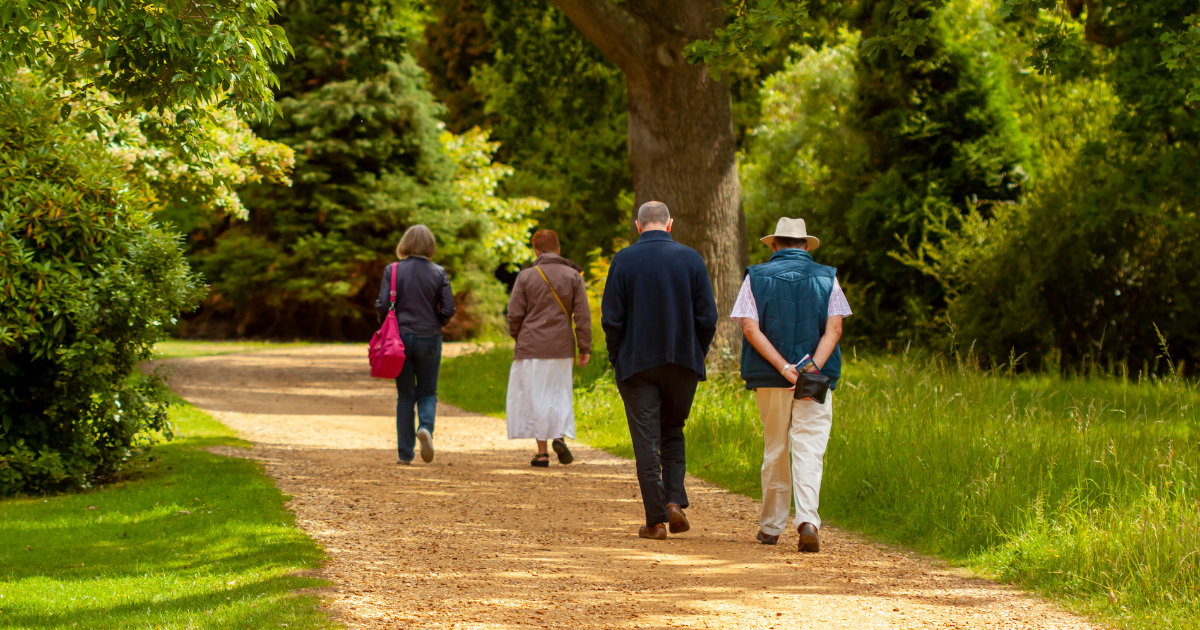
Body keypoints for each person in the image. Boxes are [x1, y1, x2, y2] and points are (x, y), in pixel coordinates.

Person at [601, 201, 719, 540]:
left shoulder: (623, 260)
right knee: (672, 430)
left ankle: (655, 520)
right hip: (683, 361)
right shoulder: (691, 259)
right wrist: (696, 352)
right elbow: (707, 318)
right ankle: (673, 500)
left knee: (646, 440)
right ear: (670, 225)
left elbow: (612, 319)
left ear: (638, 226)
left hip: (637, 364)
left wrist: (616, 359)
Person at [732, 217, 850, 552]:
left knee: (776, 448)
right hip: (816, 378)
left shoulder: (755, 276)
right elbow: (835, 330)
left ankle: (770, 527)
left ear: (773, 244)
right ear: (806, 246)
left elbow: (750, 329)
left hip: (771, 377)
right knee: (810, 448)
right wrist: (811, 368)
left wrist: (785, 368)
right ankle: (808, 521)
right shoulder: (828, 277)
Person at [505, 229, 593, 467]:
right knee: (558, 392)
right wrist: (584, 346)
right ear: (558, 249)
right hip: (562, 348)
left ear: (536, 251)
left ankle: (542, 453)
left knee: (535, 397)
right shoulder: (574, 276)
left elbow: (514, 314)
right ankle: (558, 437)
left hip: (531, 346)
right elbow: (582, 316)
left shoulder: (525, 276)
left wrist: (519, 337)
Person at [375, 225, 456, 465]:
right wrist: (438, 322)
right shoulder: (439, 272)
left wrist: (386, 326)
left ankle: (405, 454)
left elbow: (382, 304)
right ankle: (426, 428)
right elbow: (449, 308)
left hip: (399, 338)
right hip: (430, 337)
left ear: (405, 244)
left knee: (405, 395)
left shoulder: (394, 269)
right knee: (428, 391)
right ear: (430, 246)